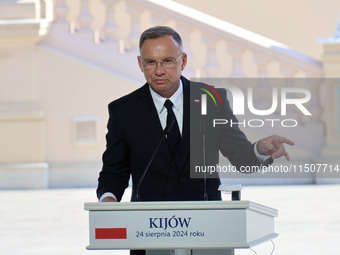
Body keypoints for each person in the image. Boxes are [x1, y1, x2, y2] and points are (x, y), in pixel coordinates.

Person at [97, 25, 294, 202]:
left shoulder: (213, 99)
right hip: (150, 229)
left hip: (206, 225)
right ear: (140, 64)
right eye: (150, 62)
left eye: (167, 61)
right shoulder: (123, 111)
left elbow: (240, 156)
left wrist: (260, 149)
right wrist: (107, 200)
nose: (158, 71)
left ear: (183, 61)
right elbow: (114, 172)